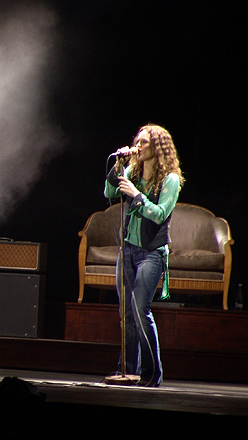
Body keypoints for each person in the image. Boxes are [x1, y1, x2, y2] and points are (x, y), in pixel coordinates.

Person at [103, 123, 184, 387]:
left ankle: (152, 373)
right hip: (127, 250)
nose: (138, 146)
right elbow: (109, 192)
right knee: (126, 312)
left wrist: (138, 196)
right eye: (137, 141)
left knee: (140, 309)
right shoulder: (133, 171)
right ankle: (127, 370)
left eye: (144, 142)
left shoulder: (170, 180)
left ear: (158, 147)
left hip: (152, 253)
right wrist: (118, 167)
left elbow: (160, 214)